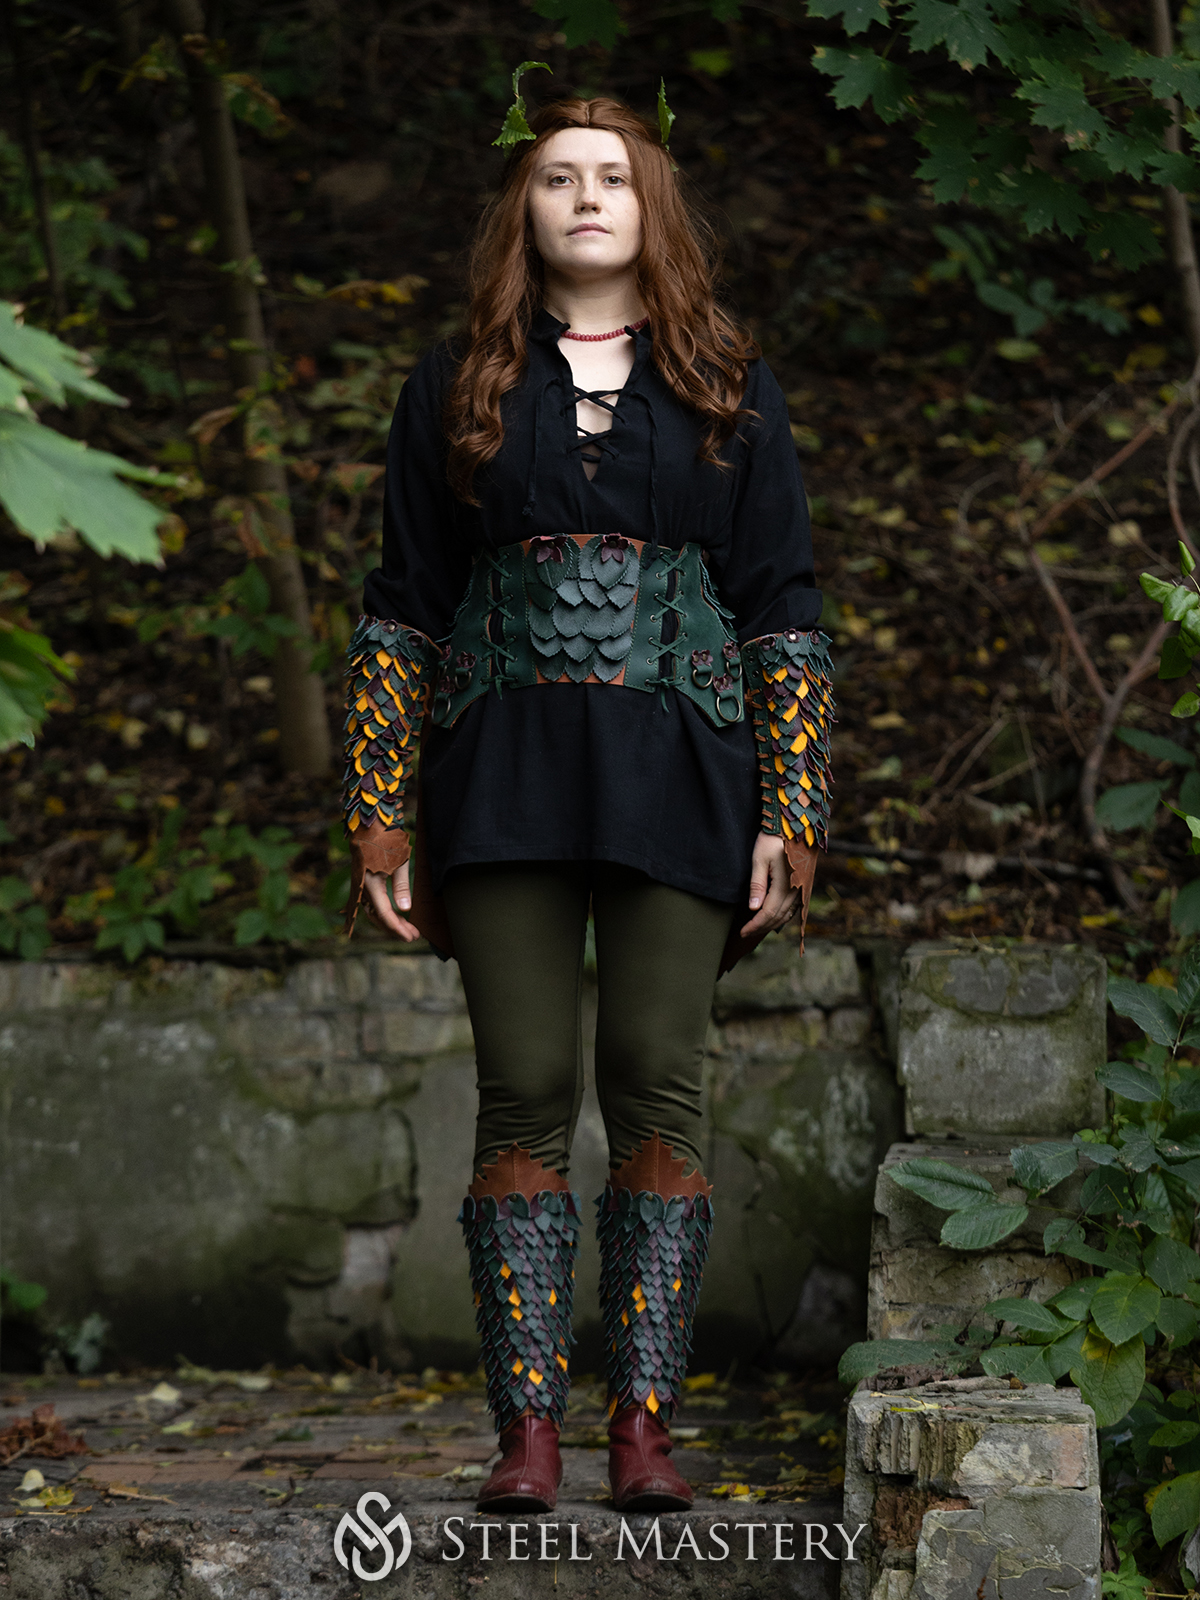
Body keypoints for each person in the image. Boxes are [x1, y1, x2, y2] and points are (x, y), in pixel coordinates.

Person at [339, 85, 834, 1516]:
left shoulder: (727, 380)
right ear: (527, 208)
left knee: (660, 1086)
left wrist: (792, 807)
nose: (588, 198)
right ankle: (529, 1437)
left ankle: (644, 1430)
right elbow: (404, 601)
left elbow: (782, 603)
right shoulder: (458, 383)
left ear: (651, 203)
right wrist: (380, 803)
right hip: (500, 773)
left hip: (686, 769)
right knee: (524, 1092)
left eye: (613, 176)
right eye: (559, 177)